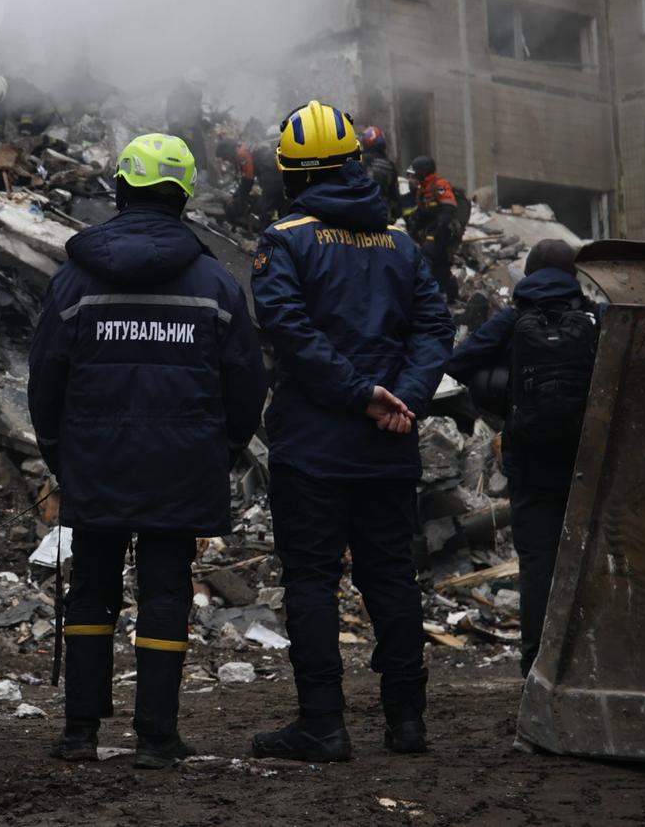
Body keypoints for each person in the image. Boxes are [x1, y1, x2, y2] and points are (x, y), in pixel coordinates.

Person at [29, 133, 266, 769]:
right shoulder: (216, 282)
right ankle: (157, 736)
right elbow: (246, 381)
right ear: (182, 198)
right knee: (164, 594)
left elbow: (46, 374)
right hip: (182, 465)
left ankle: (79, 732)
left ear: (121, 189)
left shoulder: (74, 279)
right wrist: (222, 451)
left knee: (92, 589)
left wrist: (60, 453)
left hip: (96, 460)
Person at [248, 100, 454, 763]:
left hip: (313, 447)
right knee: (391, 577)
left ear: (293, 174)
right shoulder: (398, 241)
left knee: (311, 580)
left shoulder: (286, 240)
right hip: (388, 444)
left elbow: (289, 331)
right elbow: (434, 327)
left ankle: (323, 725)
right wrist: (406, 399)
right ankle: (409, 721)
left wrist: (361, 395)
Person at [443, 240, 599, 677]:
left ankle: (536, 667)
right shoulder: (596, 318)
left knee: (537, 566)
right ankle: (589, 664)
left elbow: (456, 365)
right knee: (591, 562)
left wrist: (502, 383)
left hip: (530, 464)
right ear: (573, 275)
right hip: (589, 464)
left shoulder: (513, 320)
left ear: (529, 275)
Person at [405, 155, 462, 302]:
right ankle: (451, 295)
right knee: (440, 266)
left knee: (426, 257)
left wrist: (437, 231)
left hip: (445, 231)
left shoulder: (440, 185)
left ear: (424, 172)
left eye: (415, 173)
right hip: (432, 231)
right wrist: (411, 232)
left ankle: (426, 296)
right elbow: (422, 214)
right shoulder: (422, 190)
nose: (413, 178)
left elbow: (449, 207)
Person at [165, 69, 210, 180]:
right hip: (179, 133)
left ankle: (198, 179)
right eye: (198, 84)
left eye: (202, 85)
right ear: (189, 83)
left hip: (193, 130)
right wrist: (179, 129)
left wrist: (203, 120)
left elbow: (197, 112)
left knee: (200, 155)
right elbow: (172, 115)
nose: (200, 88)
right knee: (180, 160)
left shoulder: (196, 97)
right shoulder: (177, 96)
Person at [0, 74, 58, 139]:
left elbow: (30, 107)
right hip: (29, 122)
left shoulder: (19, 88)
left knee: (38, 142)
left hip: (45, 116)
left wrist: (25, 127)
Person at [359, 125, 401, 224]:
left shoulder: (359, 160)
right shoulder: (390, 166)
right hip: (383, 217)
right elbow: (394, 196)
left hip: (361, 215)